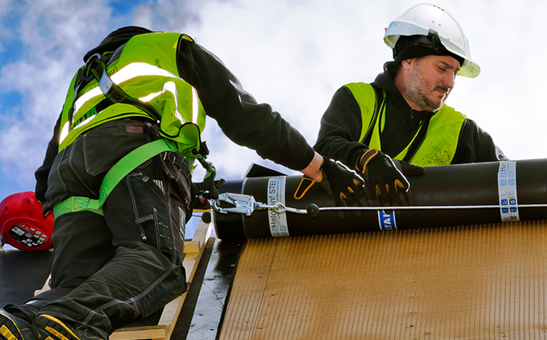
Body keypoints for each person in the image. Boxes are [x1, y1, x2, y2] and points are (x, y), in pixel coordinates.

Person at [0, 27, 368, 340]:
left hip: (68, 181)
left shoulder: (82, 85)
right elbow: (246, 117)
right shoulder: (168, 47)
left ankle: (17, 322)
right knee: (155, 260)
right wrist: (321, 167)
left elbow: (45, 177)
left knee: (74, 284)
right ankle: (69, 321)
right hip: (135, 151)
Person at [314, 4, 507, 206]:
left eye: (455, 74)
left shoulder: (460, 131)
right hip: (348, 235)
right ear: (408, 60)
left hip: (425, 237)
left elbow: (515, 180)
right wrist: (366, 160)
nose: (450, 83)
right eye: (442, 68)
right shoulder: (358, 99)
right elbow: (323, 151)